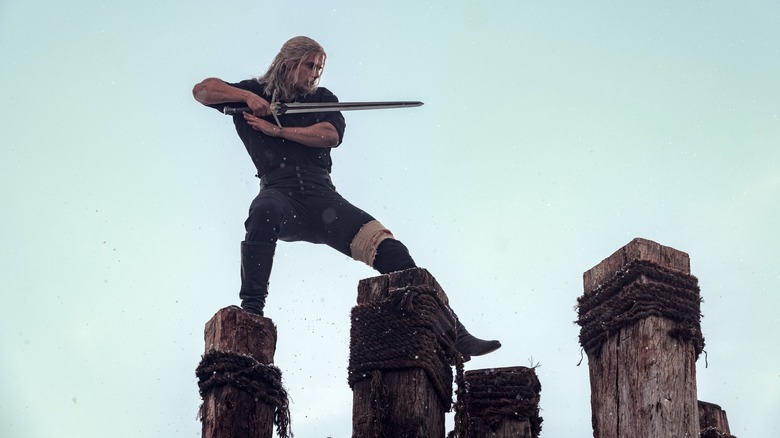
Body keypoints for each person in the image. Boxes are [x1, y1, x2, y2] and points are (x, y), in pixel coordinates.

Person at [192, 36, 500, 359]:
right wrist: (246, 98)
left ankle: (455, 333)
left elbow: (330, 135)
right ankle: (252, 309)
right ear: (288, 63)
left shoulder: (322, 98)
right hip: (282, 197)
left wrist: (277, 131)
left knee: (390, 248)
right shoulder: (252, 94)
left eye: (319, 68)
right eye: (309, 66)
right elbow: (202, 90)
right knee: (264, 209)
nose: (314, 74)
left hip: (324, 200)